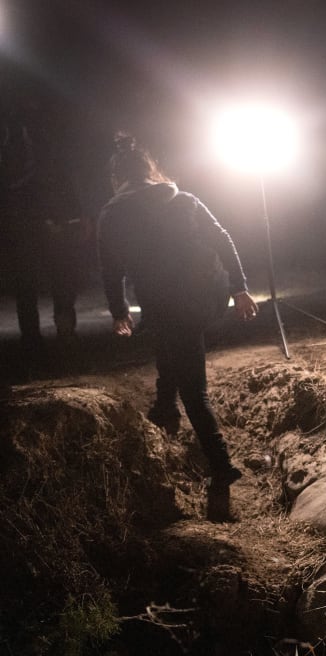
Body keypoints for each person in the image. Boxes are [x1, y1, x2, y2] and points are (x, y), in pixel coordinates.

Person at [97, 134, 259, 522]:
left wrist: (119, 311)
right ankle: (164, 406)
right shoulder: (183, 198)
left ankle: (221, 465)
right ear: (150, 171)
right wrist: (239, 289)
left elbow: (111, 268)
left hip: (168, 304)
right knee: (171, 343)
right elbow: (223, 239)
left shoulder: (113, 214)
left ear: (118, 177)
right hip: (206, 296)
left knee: (194, 387)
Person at [0, 80, 86, 358]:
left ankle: (50, 335)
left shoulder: (42, 135)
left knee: (51, 277)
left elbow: (63, 172)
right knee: (40, 279)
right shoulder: (25, 135)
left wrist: (75, 211)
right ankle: (44, 337)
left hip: (40, 215)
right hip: (29, 215)